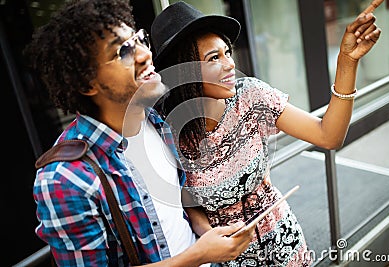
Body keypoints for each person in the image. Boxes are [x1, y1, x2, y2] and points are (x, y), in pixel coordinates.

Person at [24, 0, 255, 266]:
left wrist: (206, 233)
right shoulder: (64, 178)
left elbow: (175, 207)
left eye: (138, 40)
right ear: (88, 83)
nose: (146, 54)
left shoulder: (155, 121)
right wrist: (199, 255)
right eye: (123, 51)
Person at [150, 1, 382, 266]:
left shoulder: (251, 96)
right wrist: (208, 234)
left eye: (227, 53)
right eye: (214, 58)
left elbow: (328, 135)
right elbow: (186, 201)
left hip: (284, 242)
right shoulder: (168, 130)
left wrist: (347, 62)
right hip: (228, 257)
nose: (229, 65)